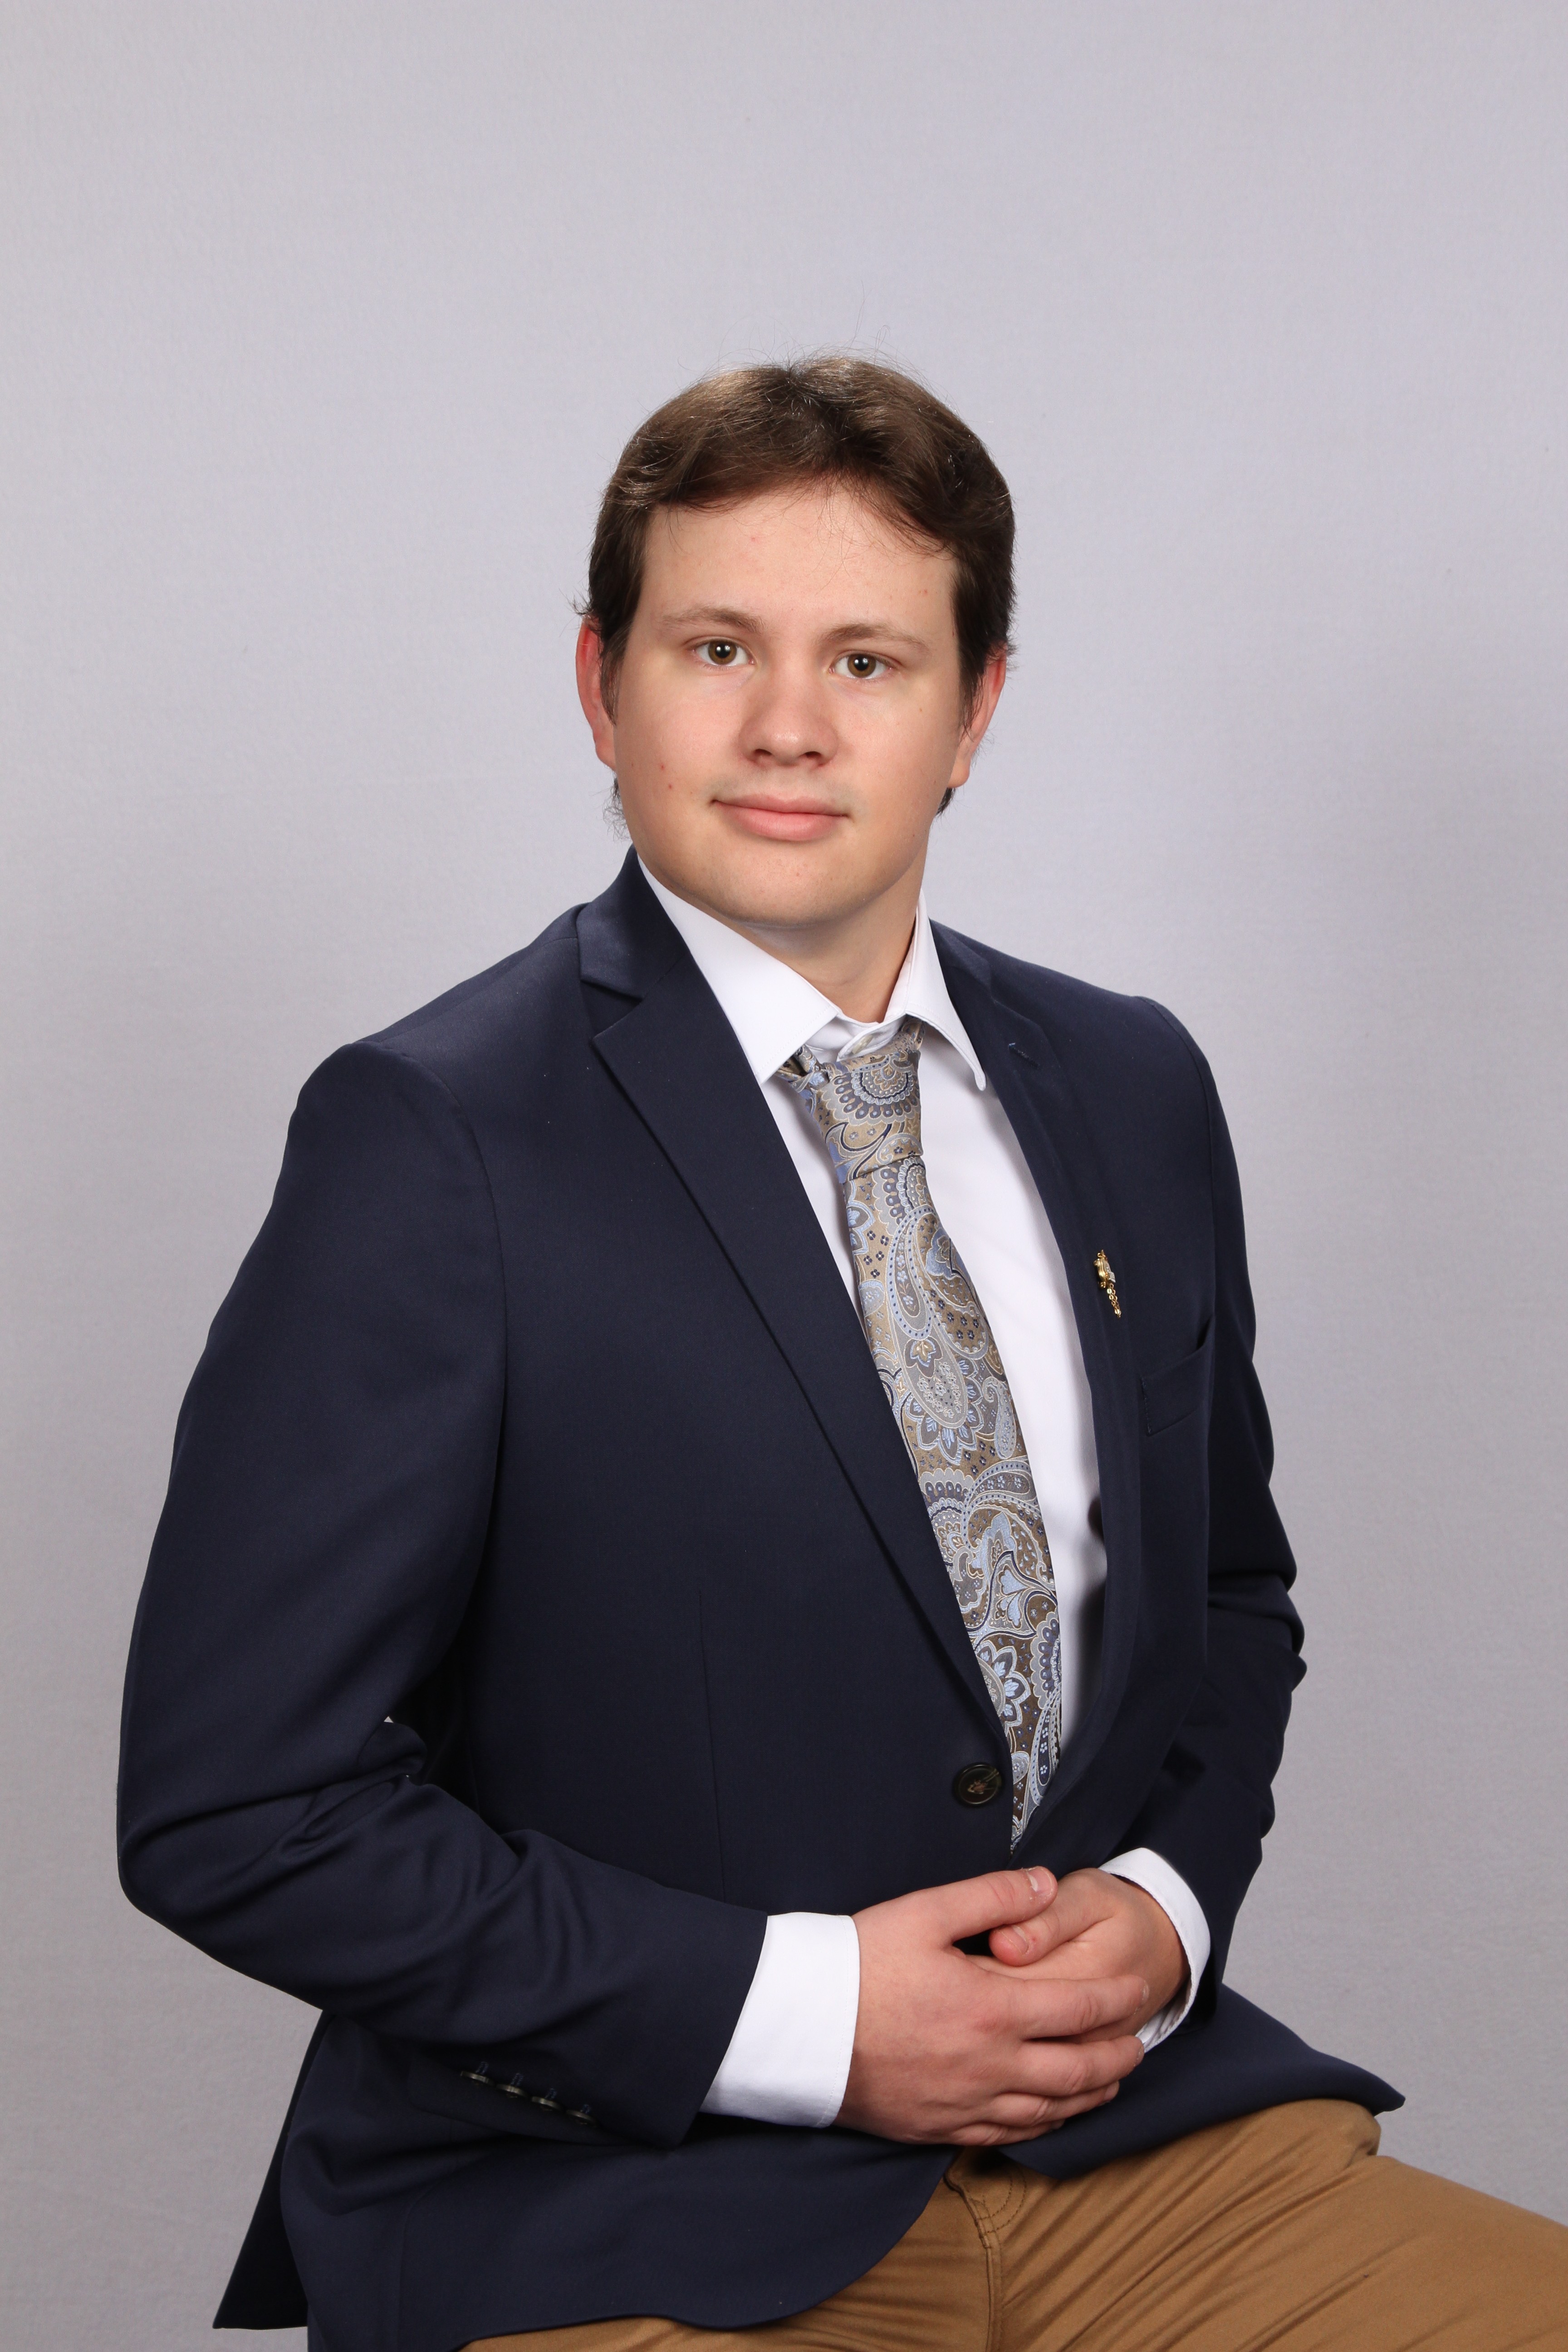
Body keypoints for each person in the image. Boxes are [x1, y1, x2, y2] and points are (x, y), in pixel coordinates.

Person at [118, 358, 1567, 2352]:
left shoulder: (1134, 1085)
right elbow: (238, 1809)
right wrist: (816, 2020)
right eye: (717, 647)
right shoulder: (433, 1138)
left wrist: (1163, 1910)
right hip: (617, 2196)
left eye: (869, 662)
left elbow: (1232, 1597)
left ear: (974, 712)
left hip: (1123, 2147)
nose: (789, 726)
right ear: (601, 685)